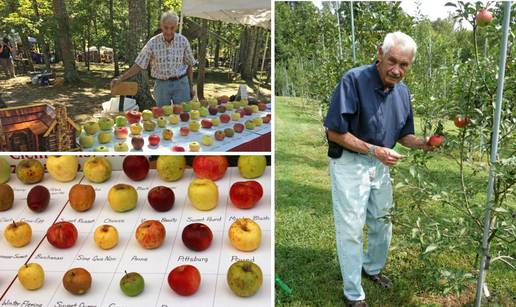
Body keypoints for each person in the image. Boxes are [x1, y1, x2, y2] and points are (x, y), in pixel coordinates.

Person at [324, 31, 435, 307]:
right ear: (379, 54)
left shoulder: (403, 93)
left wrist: (425, 143)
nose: (397, 70)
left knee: (383, 223)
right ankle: (353, 293)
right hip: (349, 162)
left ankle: (371, 268)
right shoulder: (354, 80)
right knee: (351, 228)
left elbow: (404, 136)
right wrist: (374, 150)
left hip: (380, 164)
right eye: (392, 61)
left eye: (404, 65)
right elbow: (334, 133)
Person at [111, 11, 195, 106]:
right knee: (162, 117)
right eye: (165, 27)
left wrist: (191, 87)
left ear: (177, 26)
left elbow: (189, 65)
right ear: (161, 25)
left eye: (172, 28)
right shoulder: (153, 43)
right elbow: (138, 64)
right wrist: (120, 79)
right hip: (162, 86)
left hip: (181, 84)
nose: (168, 31)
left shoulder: (183, 41)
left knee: (183, 115)